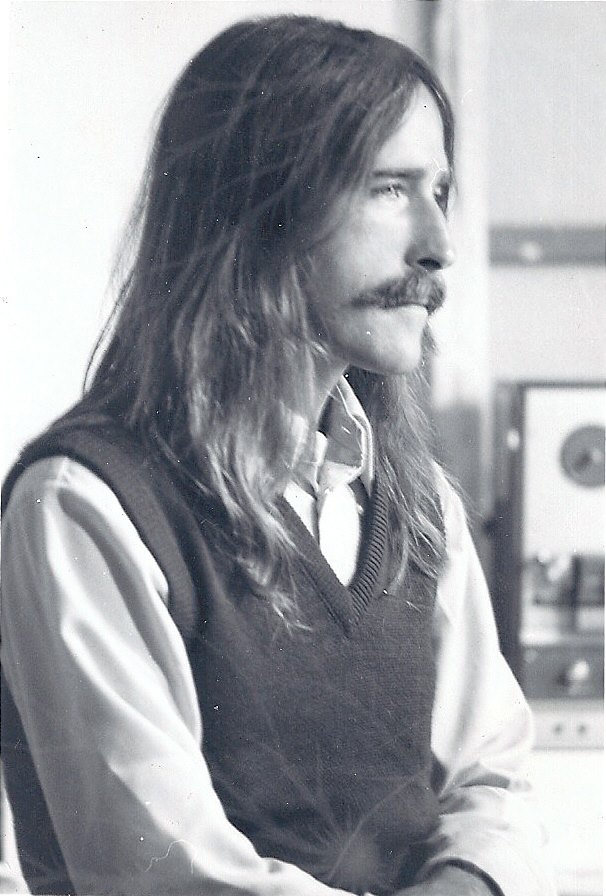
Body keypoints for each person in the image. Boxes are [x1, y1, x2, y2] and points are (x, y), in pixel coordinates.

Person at [1, 15, 554, 896]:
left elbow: (495, 781)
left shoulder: (419, 509)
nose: (438, 245)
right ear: (257, 208)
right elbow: (169, 877)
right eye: (388, 188)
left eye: (440, 191)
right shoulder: (85, 504)